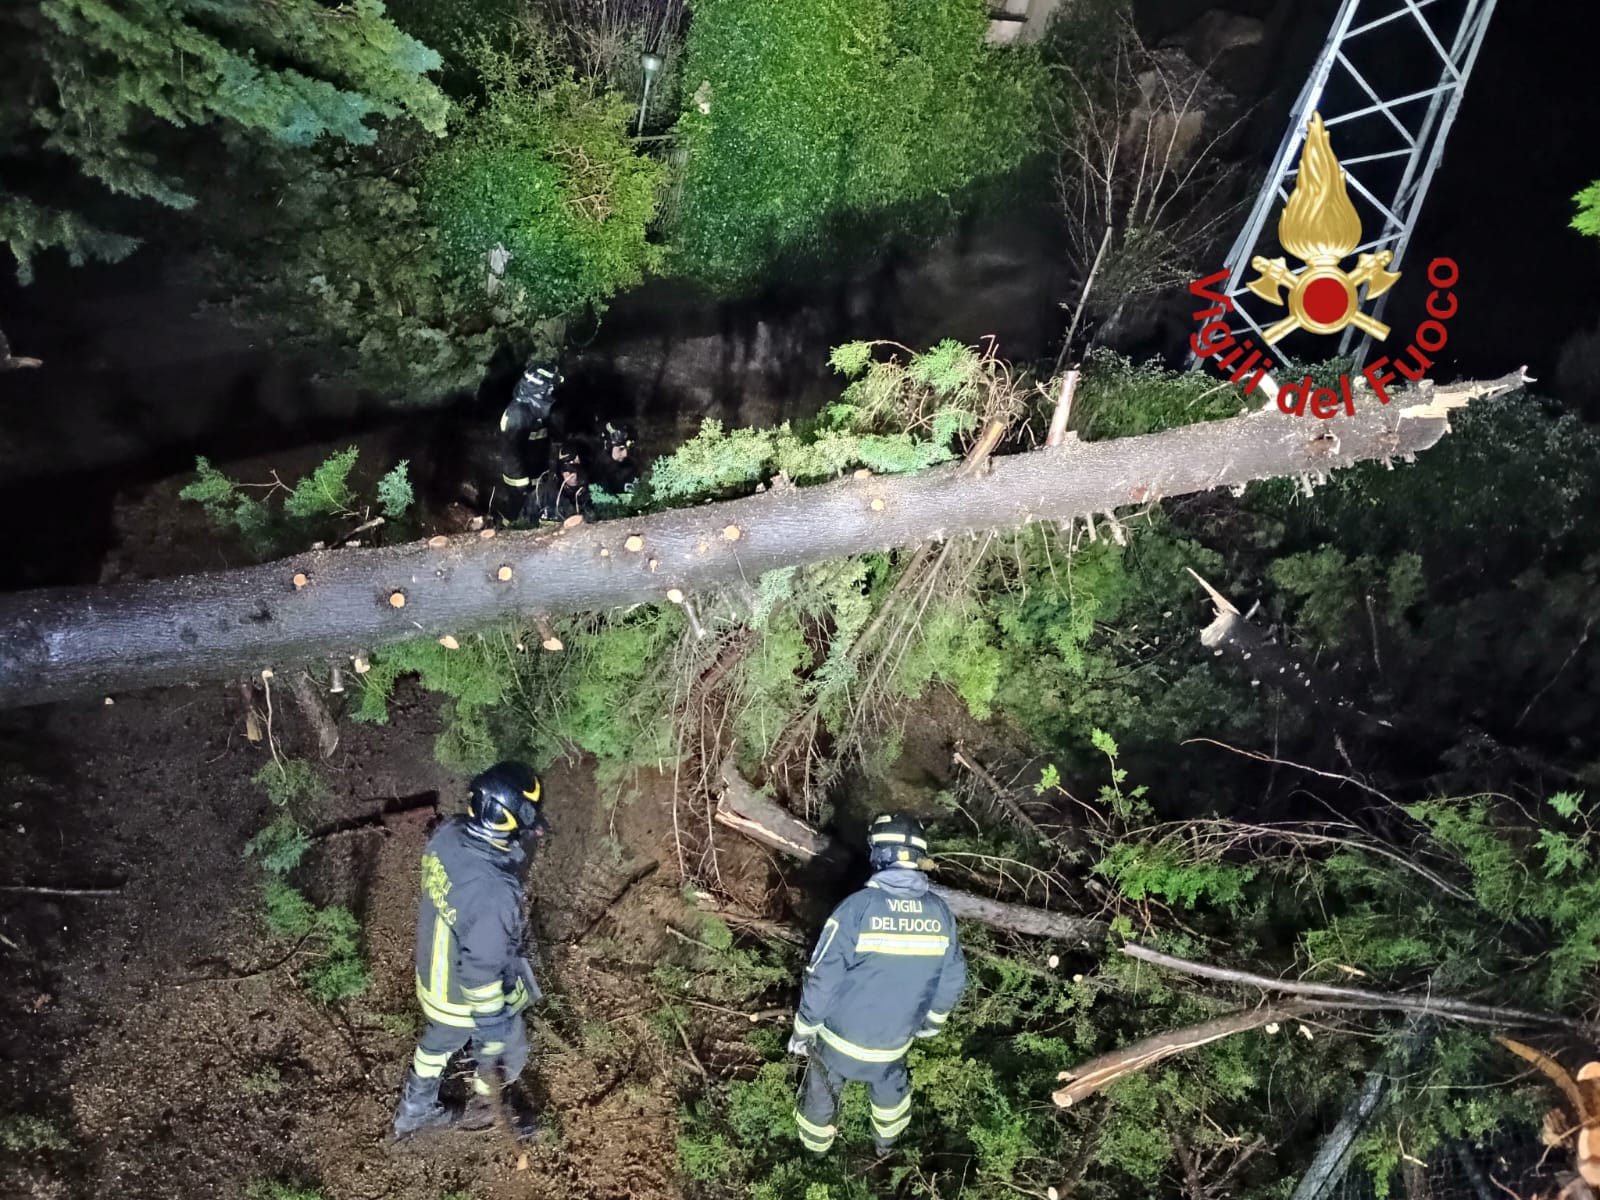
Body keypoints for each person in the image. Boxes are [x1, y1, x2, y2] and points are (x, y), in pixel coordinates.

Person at [789, 813, 967, 1156]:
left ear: (880, 854)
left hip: (838, 1042)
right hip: (893, 1046)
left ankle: (815, 1150)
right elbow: (954, 977)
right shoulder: (940, 913)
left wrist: (804, 1029)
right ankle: (887, 1149)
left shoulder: (857, 908)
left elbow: (823, 976)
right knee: (891, 1092)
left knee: (822, 1088)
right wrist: (932, 1023)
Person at [392, 762, 550, 1140]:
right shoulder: (495, 894)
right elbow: (480, 972)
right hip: (461, 997)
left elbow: (467, 879)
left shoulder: (448, 834)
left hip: (432, 975)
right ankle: (486, 1104)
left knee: (439, 1040)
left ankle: (414, 1111)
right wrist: (493, 1028)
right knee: (508, 1049)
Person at [494, 360, 563, 523]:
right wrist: (521, 482)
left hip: (535, 470)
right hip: (520, 479)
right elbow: (511, 452)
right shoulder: (517, 415)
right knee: (519, 512)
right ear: (538, 389)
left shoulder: (533, 408)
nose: (552, 391)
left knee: (536, 507)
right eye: (549, 387)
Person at [528, 448, 594, 526]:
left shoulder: (594, 495)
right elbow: (523, 523)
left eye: (579, 469)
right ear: (560, 470)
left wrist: (584, 518)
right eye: (569, 469)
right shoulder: (542, 495)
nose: (574, 475)